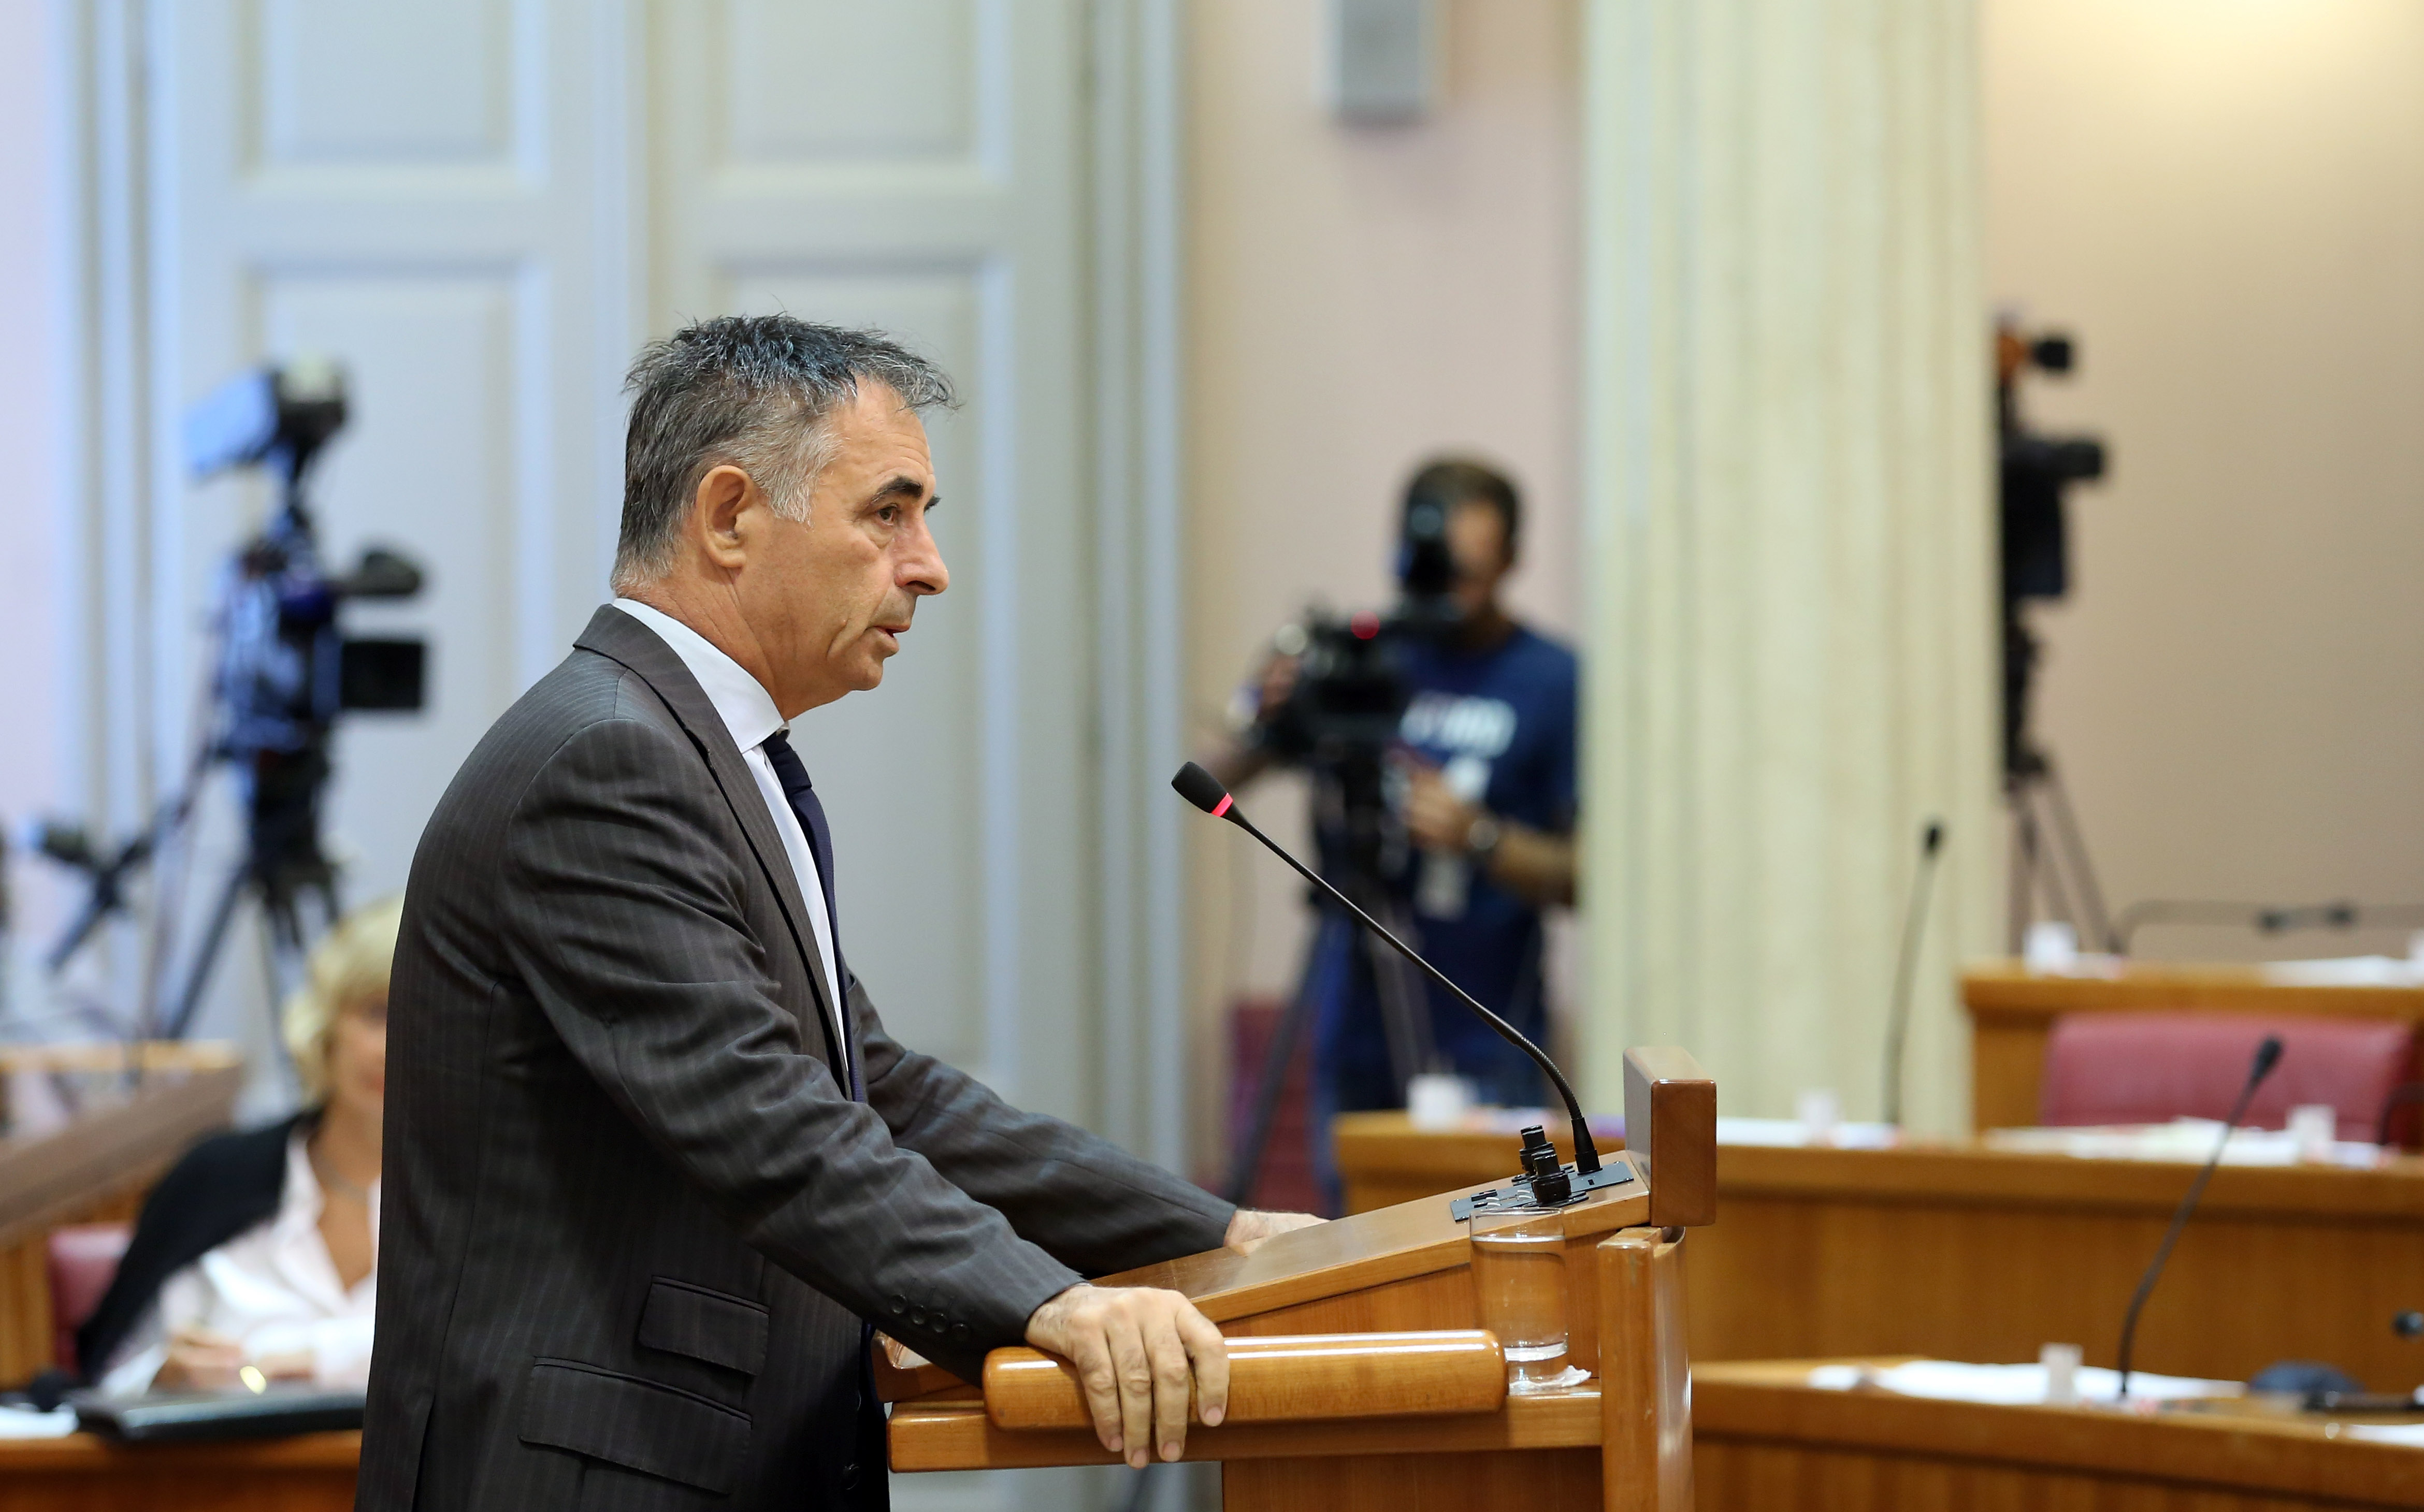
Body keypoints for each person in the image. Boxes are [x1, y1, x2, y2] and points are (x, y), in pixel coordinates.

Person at [359, 316, 1317, 1511]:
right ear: (728, 516)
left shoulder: (698, 750)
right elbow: (771, 1123)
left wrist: (1216, 1233)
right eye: (888, 514)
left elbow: (877, 1090)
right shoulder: (606, 759)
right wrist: (1046, 1301)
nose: (930, 566)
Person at [1207, 460, 1578, 1195]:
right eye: (1432, 567)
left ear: (1512, 559)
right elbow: (1213, 778)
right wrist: (1261, 703)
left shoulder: (1554, 679)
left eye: (1469, 572)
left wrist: (1482, 838)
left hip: (1488, 1023)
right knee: (1354, 1231)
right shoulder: (1363, 658)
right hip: (1355, 1017)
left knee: (1488, 1230)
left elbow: (1587, 876)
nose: (1447, 590)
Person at [79, 896, 397, 1394]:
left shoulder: (493, 1200)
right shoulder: (213, 1178)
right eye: (376, 1013)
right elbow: (105, 1380)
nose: (392, 1047)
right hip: (216, 1447)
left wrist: (320, 1359)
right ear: (325, 1025)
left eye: (425, 1020)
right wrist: (162, 1376)